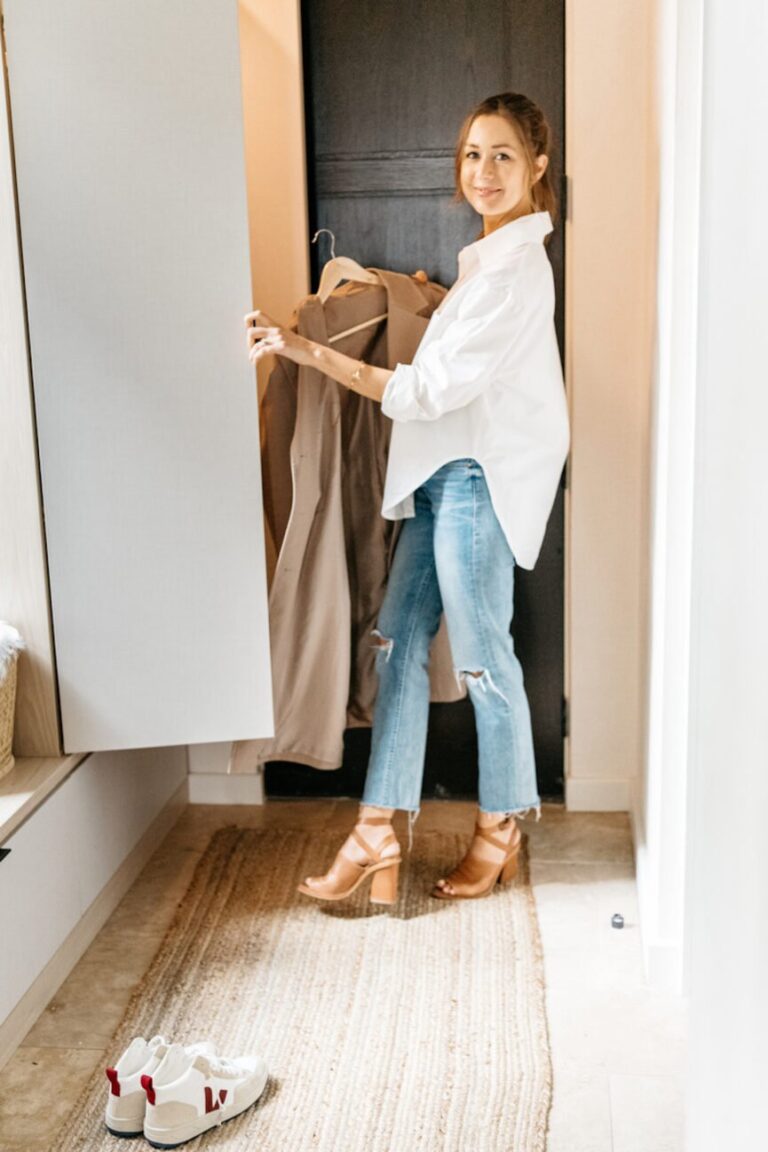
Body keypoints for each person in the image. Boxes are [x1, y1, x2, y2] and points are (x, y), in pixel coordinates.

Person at [244, 92, 570, 905]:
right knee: (394, 647)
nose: (484, 172)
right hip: (437, 482)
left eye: (502, 155)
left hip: (475, 484)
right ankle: (377, 832)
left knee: (484, 661)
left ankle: (500, 833)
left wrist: (306, 350)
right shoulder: (484, 266)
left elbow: (425, 392)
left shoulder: (517, 274)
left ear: (537, 166)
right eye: (471, 155)